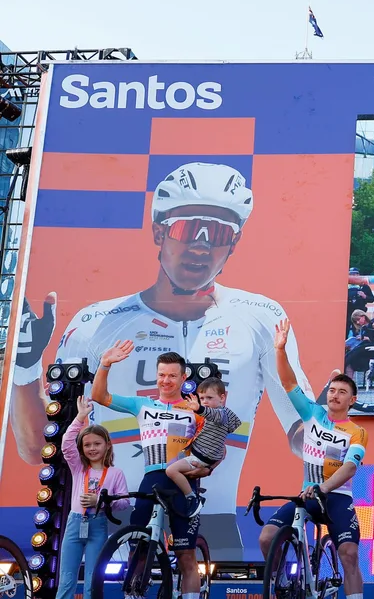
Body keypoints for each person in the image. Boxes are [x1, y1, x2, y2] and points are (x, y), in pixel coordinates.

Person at [11, 162, 313, 559]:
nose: (202, 245)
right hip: (120, 516)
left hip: (213, 520)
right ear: (159, 231)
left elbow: (301, 431)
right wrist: (25, 369)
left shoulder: (261, 317)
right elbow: (37, 450)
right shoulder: (94, 323)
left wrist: (330, 437)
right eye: (188, 228)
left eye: (218, 232)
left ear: (235, 242)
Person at [259, 319, 370, 599]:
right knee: (267, 538)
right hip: (307, 494)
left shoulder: (357, 432)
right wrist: (280, 350)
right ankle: (283, 586)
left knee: (348, 553)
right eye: (332, 390)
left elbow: (349, 469)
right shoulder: (311, 414)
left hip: (336, 497)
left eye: (342, 392)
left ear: (352, 400)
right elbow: (288, 381)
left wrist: (321, 488)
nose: (335, 395)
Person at [91, 347, 204, 599]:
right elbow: (98, 396)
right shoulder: (142, 405)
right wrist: (105, 364)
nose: (166, 381)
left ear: (183, 377)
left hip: (183, 481)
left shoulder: (195, 409)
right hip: (152, 479)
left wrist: (206, 470)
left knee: (186, 554)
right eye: (161, 375)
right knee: (138, 546)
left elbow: (216, 447)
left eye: (172, 376)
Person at [51, 396, 129, 599]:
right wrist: (80, 416)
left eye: (97, 444)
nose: (92, 448)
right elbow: (66, 444)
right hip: (75, 524)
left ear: (107, 445)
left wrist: (102, 501)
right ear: (82, 449)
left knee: (92, 583)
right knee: (66, 581)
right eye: (87, 445)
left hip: (98, 525)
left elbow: (124, 503)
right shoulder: (79, 468)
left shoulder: (115, 474)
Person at [165, 379, 242, 517]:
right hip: (200, 455)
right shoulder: (220, 414)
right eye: (202, 398)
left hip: (199, 458)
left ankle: (192, 498)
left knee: (171, 470)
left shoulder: (220, 413)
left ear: (222, 398)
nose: (205, 401)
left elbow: (213, 415)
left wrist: (199, 408)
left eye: (210, 398)